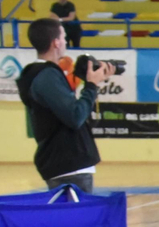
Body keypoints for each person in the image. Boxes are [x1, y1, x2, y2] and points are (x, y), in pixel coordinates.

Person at [17, 17, 104, 193]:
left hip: (66, 163)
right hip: (69, 163)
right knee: (78, 219)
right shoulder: (46, 76)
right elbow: (75, 116)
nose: (65, 42)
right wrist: (91, 86)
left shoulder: (45, 75)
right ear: (56, 43)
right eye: (63, 37)